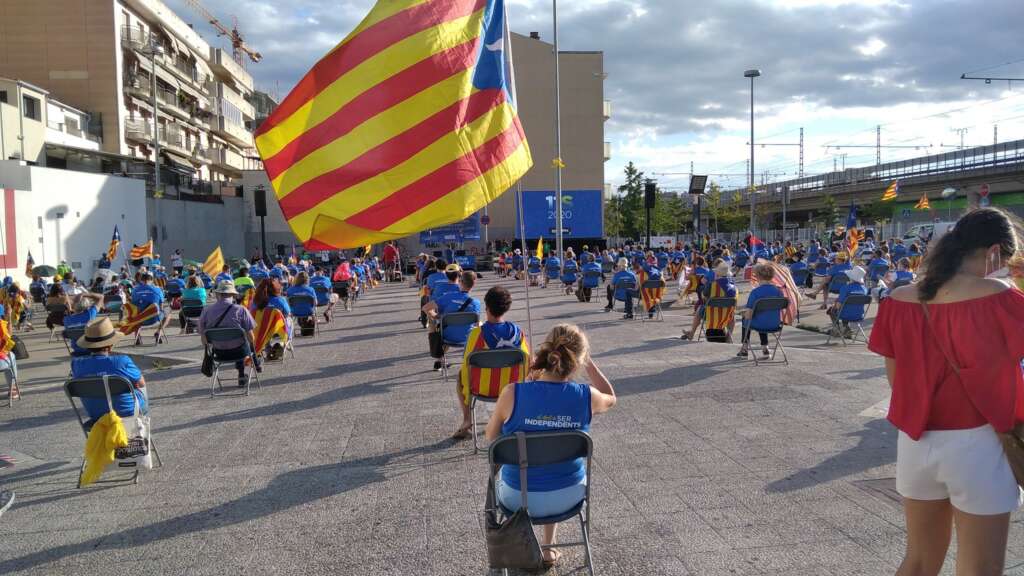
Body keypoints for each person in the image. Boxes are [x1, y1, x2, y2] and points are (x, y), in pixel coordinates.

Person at [868, 208, 1024, 575]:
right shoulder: (1003, 297)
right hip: (980, 442)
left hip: (916, 443)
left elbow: (897, 381)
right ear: (994, 252)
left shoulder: (900, 299)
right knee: (979, 568)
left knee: (919, 561)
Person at [484, 324, 617, 569]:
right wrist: (589, 363)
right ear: (577, 360)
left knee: (531, 466)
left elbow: (491, 438)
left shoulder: (513, 392)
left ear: (545, 353)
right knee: (553, 463)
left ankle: (542, 547)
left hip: (517, 499)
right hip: (568, 495)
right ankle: (549, 547)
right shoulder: (588, 396)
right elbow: (612, 397)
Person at [452, 286, 529, 440]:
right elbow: (528, 361)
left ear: (486, 306)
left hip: (482, 388)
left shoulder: (476, 334)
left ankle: (467, 420)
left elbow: (466, 364)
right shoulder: (517, 332)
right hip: (512, 389)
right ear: (506, 308)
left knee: (460, 376)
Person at [71, 317, 148, 420]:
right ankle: (141, 429)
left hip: (96, 415)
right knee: (141, 390)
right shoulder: (122, 361)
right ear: (110, 345)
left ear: (88, 345)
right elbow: (141, 383)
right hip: (126, 412)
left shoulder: (76, 364)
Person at [199, 281, 260, 387]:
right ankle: (243, 372)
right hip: (240, 352)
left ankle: (242, 373)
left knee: (239, 341)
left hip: (219, 353)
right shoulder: (241, 310)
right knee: (243, 342)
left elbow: (203, 339)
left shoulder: (206, 311)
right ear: (233, 295)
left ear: (218, 294)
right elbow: (251, 337)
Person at [422, 271, 481, 371]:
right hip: (467, 337)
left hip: (447, 336)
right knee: (480, 323)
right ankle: (473, 360)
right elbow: (476, 323)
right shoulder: (476, 303)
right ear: (473, 285)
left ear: (460, 282)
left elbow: (425, 308)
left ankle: (439, 358)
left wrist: (436, 316)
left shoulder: (449, 296)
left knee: (433, 323)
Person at [681, 261, 737, 341]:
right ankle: (729, 336)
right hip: (726, 315)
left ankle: (692, 333)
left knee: (699, 309)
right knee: (732, 314)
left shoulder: (712, 285)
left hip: (711, 314)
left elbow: (703, 296)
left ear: (717, 274)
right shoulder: (734, 287)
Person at [738, 264, 784, 358]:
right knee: (763, 316)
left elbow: (749, 315)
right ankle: (765, 348)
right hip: (775, 324)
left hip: (760, 324)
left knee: (746, 319)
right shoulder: (779, 291)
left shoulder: (755, 292)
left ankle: (744, 348)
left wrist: (744, 313)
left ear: (758, 276)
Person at [828, 265, 868, 338]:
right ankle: (846, 328)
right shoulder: (865, 289)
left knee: (832, 310)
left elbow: (838, 306)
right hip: (859, 315)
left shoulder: (845, 288)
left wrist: (835, 304)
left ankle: (837, 330)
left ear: (850, 277)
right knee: (846, 307)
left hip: (845, 315)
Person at [130, 273, 171, 343]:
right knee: (168, 313)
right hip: (154, 318)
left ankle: (137, 337)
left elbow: (133, 306)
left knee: (135, 313)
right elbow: (161, 307)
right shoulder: (157, 290)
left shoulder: (134, 290)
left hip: (140, 320)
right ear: (151, 280)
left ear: (141, 280)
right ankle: (159, 332)